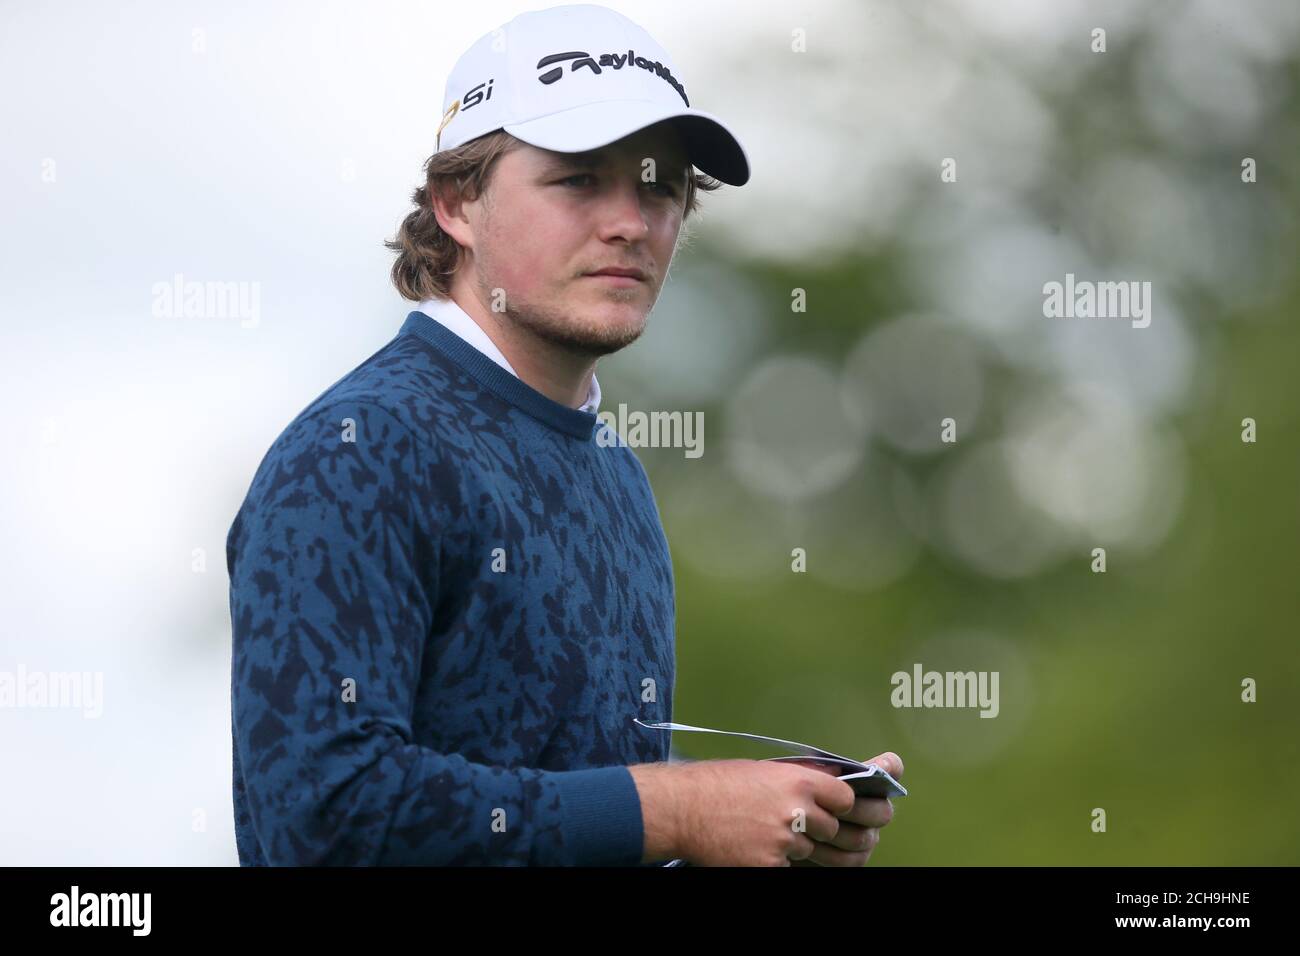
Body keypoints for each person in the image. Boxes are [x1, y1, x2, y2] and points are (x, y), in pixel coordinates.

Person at [226, 2, 902, 866]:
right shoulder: (357, 451)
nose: (630, 220)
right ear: (456, 203)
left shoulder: (613, 469)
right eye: (579, 178)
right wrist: (679, 812)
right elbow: (323, 817)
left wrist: (757, 817)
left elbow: (577, 803)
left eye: (659, 185)